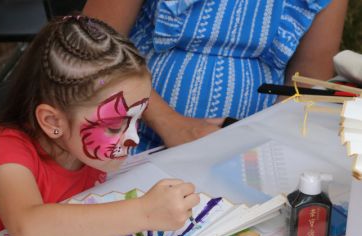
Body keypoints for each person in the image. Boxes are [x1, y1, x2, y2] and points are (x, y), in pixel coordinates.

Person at [0, 15, 200, 236]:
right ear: (53, 121)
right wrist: (144, 211)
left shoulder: (80, 149)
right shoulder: (5, 150)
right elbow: (30, 228)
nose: (134, 138)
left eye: (138, 118)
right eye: (115, 126)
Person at [83, 0, 348, 153]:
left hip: (249, 155)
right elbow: (91, 48)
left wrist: (259, 140)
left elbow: (307, 85)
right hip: (129, 139)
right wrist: (170, 123)